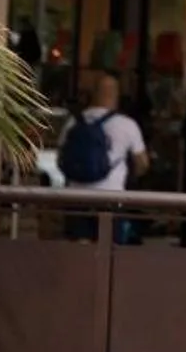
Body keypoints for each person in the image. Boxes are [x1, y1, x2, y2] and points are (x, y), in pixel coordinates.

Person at [58, 73, 149, 246]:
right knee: (109, 250)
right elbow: (142, 164)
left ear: (93, 94)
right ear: (115, 94)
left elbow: (61, 160)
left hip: (76, 198)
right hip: (110, 198)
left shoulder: (73, 122)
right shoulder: (127, 125)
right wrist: (129, 175)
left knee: (78, 250)